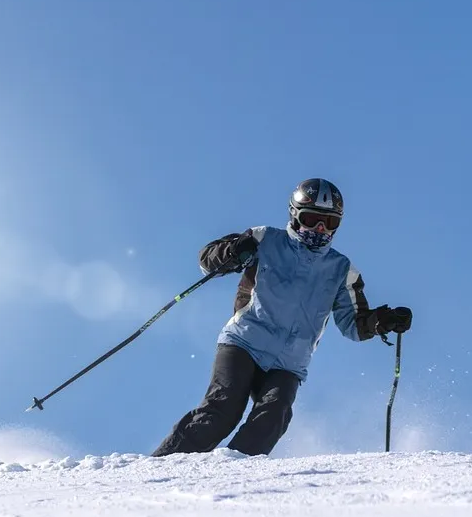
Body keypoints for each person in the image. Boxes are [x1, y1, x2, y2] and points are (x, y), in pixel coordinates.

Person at [151, 177, 412, 458]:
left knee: (274, 416)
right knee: (222, 410)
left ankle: (234, 472)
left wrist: (383, 320)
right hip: (244, 343)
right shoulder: (265, 239)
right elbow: (208, 260)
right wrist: (234, 251)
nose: (320, 228)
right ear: (295, 215)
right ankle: (163, 465)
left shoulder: (341, 270)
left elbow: (355, 325)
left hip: (288, 363)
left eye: (330, 222)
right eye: (311, 219)